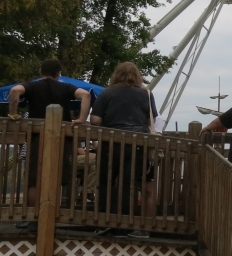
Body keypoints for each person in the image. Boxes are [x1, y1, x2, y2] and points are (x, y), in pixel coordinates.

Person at [6, 59, 91, 207]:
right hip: (61, 139)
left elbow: (14, 91)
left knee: (35, 179)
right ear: (58, 73)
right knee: (57, 178)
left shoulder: (33, 86)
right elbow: (86, 95)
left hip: (37, 139)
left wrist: (13, 113)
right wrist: (81, 119)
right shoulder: (66, 87)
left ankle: (34, 215)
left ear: (41, 71)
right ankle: (52, 213)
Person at [90, 62, 160, 221]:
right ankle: (125, 220)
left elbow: (94, 120)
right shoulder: (146, 94)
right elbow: (152, 120)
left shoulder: (107, 93)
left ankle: (102, 218)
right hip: (137, 144)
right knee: (128, 183)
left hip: (111, 143)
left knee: (105, 181)